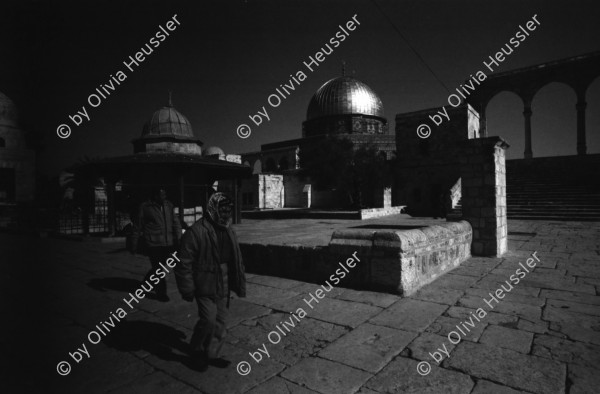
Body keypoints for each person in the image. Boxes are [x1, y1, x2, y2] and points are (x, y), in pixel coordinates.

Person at [175, 192, 246, 372]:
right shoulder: (196, 232)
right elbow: (184, 263)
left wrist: (238, 280)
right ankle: (196, 349)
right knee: (208, 319)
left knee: (221, 321)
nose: (225, 214)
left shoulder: (229, 229)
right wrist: (187, 288)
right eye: (222, 210)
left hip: (224, 280)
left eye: (228, 210)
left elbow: (236, 258)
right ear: (213, 209)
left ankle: (211, 354)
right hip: (204, 282)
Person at [131, 187, 182, 302]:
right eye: (162, 195)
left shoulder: (169, 206)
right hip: (153, 243)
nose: (164, 197)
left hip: (168, 243)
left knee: (160, 267)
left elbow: (176, 222)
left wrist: (179, 238)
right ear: (155, 196)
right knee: (159, 269)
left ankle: (145, 284)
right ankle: (161, 293)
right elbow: (137, 226)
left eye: (165, 195)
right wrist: (134, 244)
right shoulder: (145, 207)